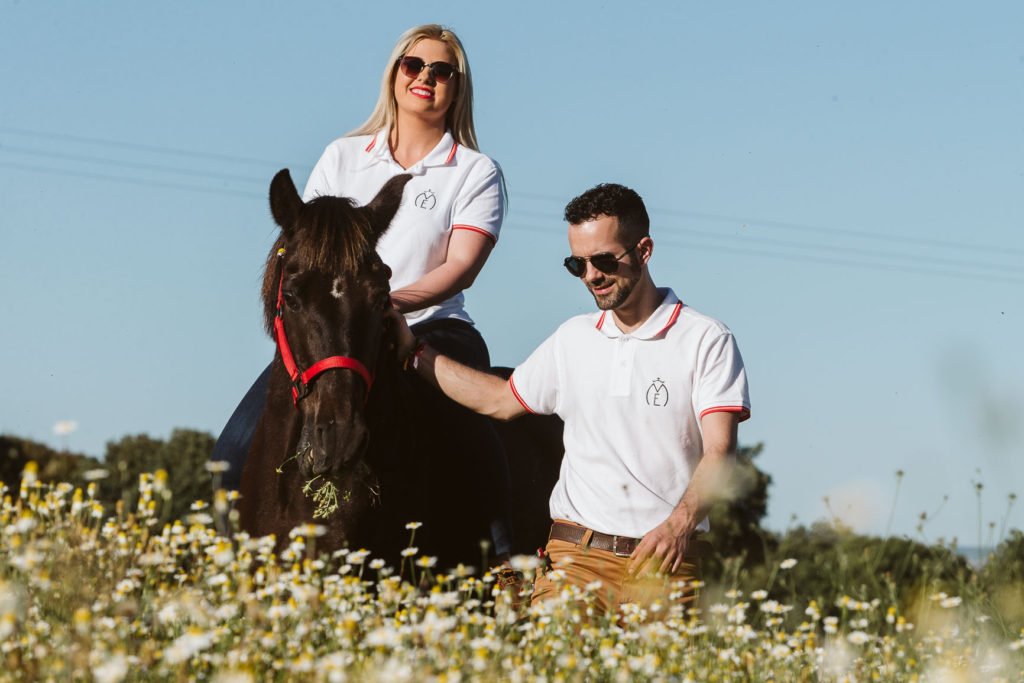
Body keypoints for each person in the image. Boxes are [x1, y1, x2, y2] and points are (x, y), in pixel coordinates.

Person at [213, 24, 513, 556]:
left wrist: (388, 306)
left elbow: (462, 266)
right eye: (413, 65)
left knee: (473, 442)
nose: (426, 77)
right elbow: (305, 250)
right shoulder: (342, 156)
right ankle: (223, 564)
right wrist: (356, 315)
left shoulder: (474, 170)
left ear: (457, 87)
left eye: (442, 71)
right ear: (395, 73)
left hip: (432, 325)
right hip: (337, 335)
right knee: (232, 449)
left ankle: (504, 557)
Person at [391, 183, 751, 614]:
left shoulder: (706, 339)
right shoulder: (572, 338)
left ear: (645, 250)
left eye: (603, 260)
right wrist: (414, 352)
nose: (591, 276)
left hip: (668, 563)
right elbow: (501, 401)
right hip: (574, 561)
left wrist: (678, 526)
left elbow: (720, 452)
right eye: (576, 264)